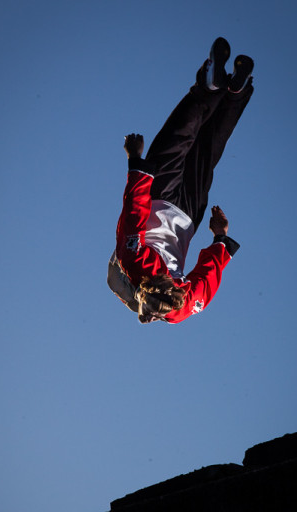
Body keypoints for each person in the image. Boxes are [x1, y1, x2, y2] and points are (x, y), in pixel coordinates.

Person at [107, 38, 254, 324]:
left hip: (189, 214)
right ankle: (211, 88)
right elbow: (132, 218)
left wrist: (220, 240)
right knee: (180, 137)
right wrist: (136, 164)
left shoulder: (181, 306)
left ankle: (235, 94)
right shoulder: (134, 264)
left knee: (209, 148)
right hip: (161, 196)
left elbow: (206, 282)